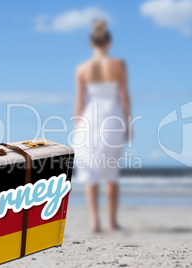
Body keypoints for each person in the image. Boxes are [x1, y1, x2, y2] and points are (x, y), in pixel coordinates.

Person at [73, 19, 132, 233]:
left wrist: (77, 125)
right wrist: (129, 123)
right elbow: (124, 95)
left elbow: (79, 101)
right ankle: (112, 221)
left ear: (91, 43)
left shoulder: (82, 68)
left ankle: (94, 221)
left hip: (90, 118)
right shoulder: (118, 65)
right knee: (111, 173)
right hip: (113, 118)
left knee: (90, 171)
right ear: (109, 42)